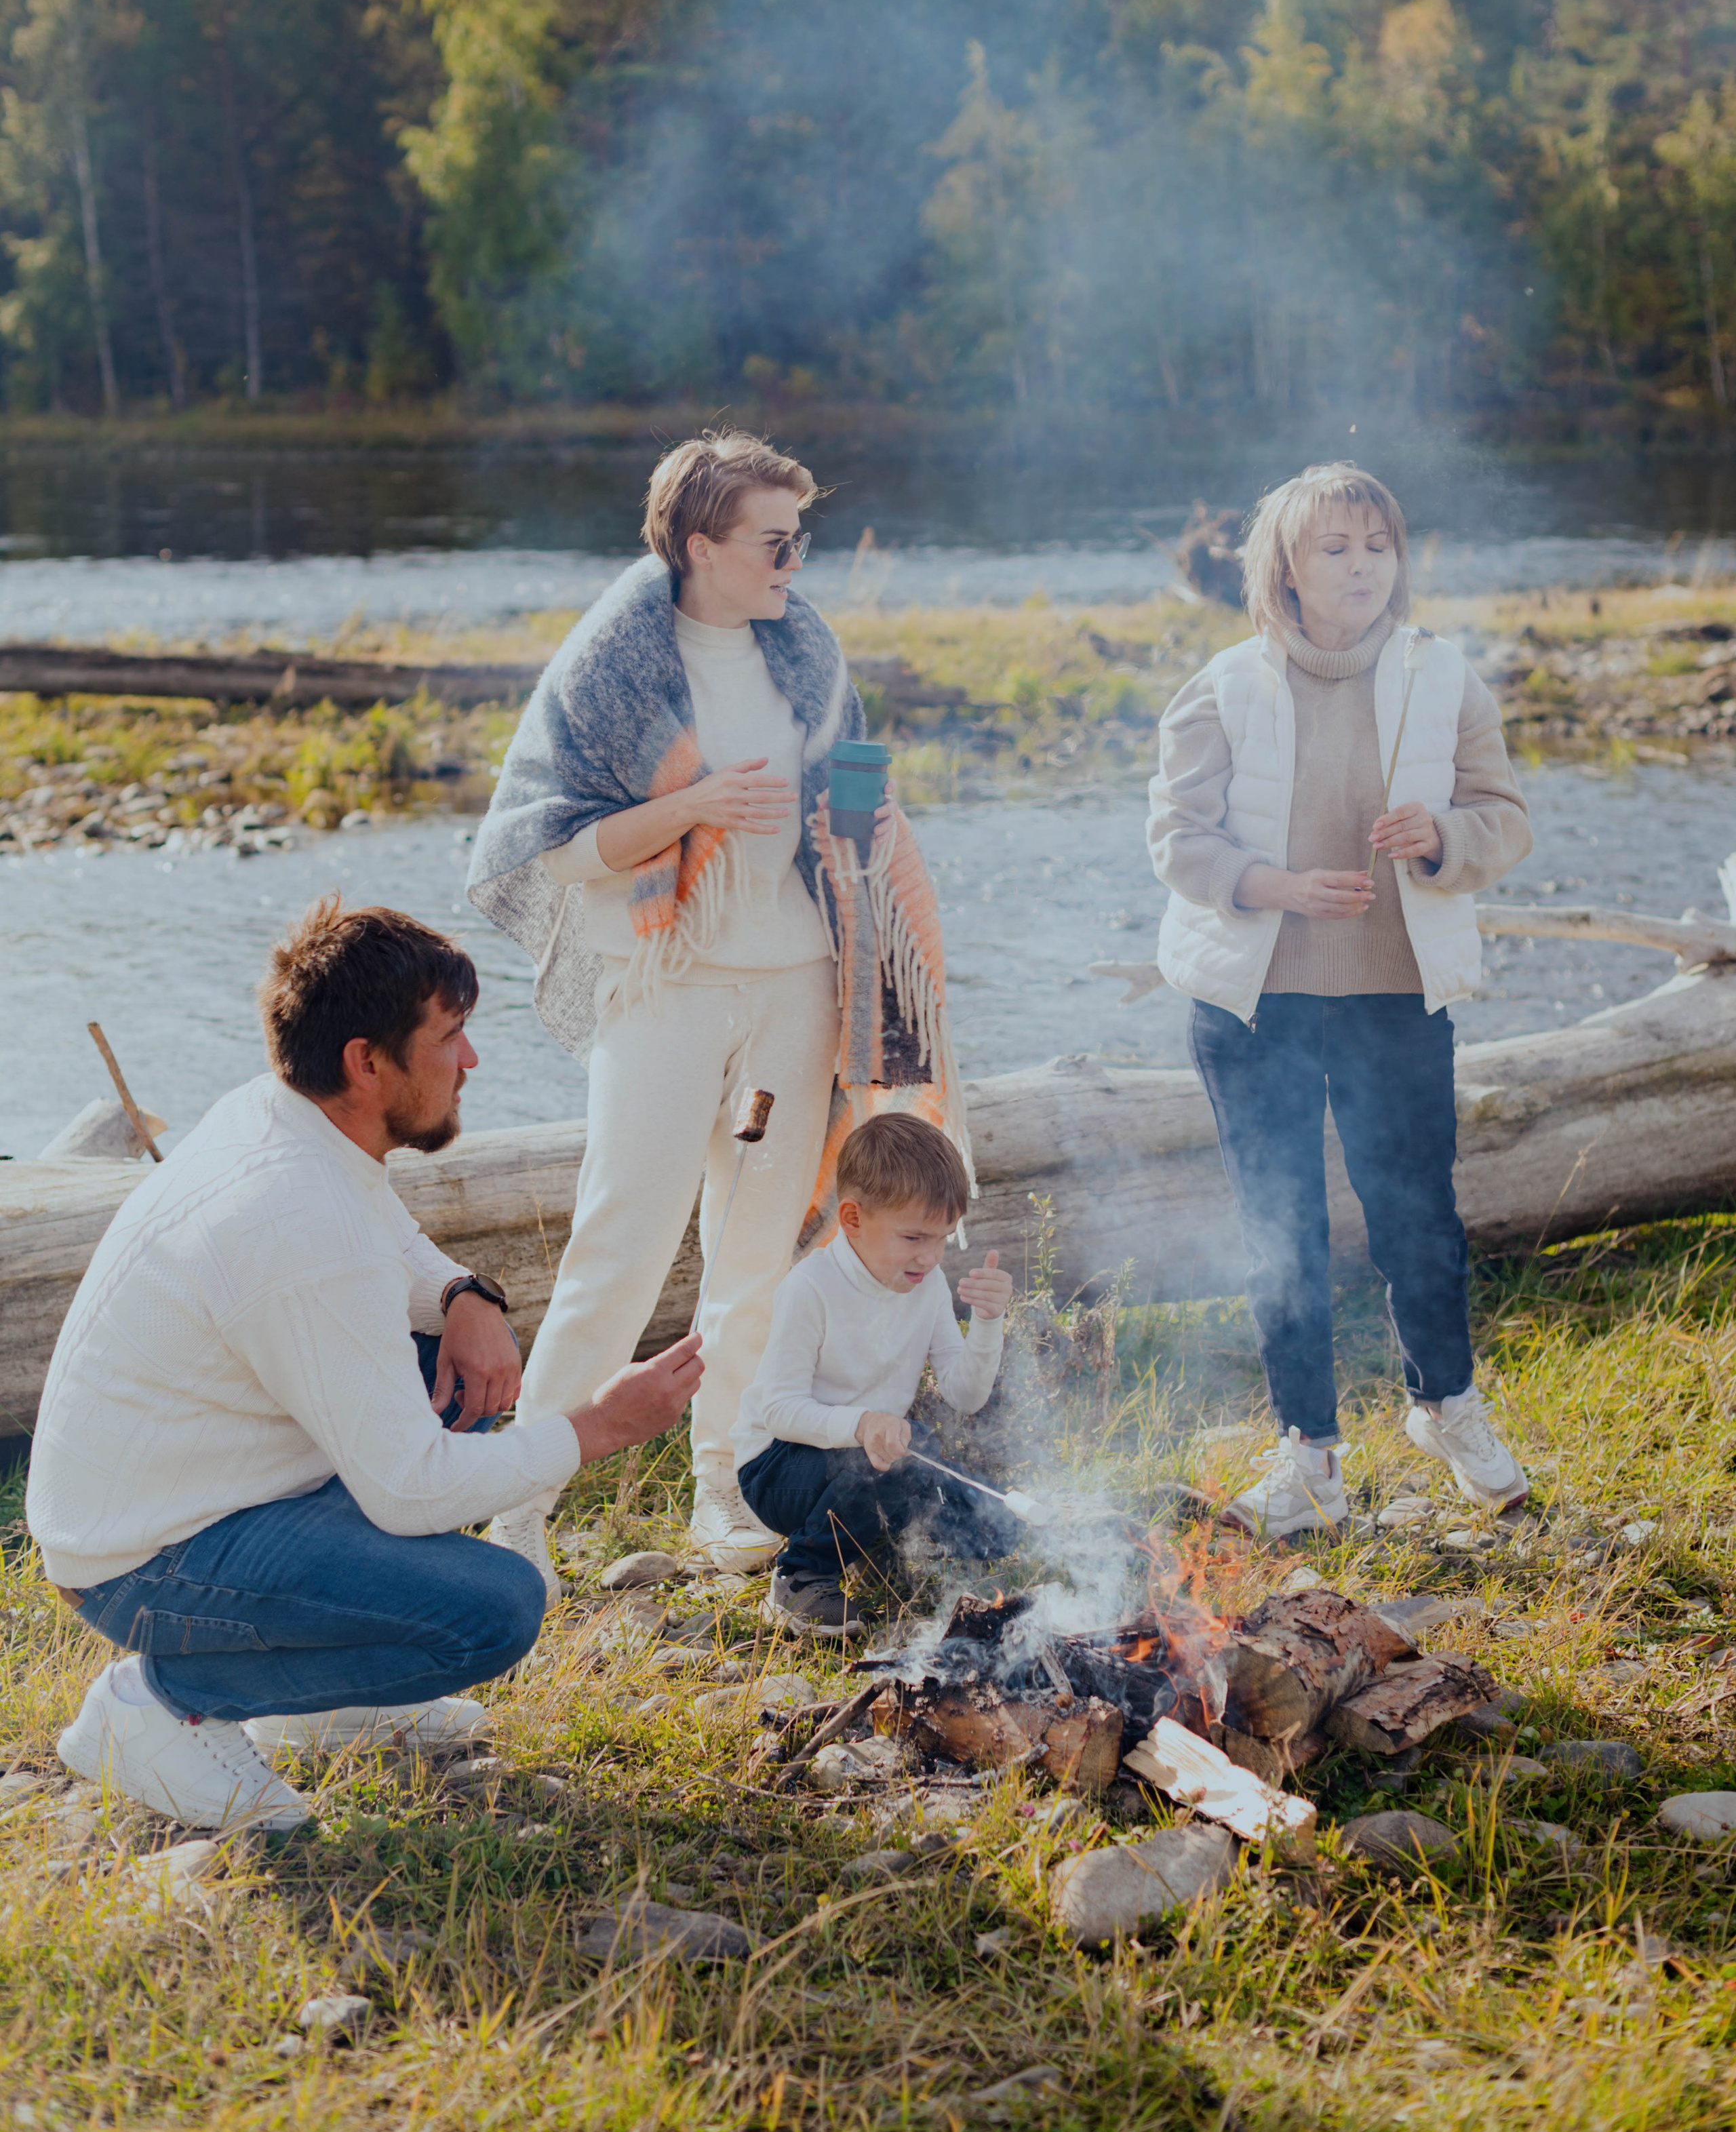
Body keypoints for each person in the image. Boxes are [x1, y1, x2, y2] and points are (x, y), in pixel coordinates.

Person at [27, 899, 701, 1834]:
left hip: (183, 1493)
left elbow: (390, 1236)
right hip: (145, 1560)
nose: (471, 1060)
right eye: (451, 1036)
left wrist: (466, 1295)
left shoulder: (282, 1117)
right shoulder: (299, 1221)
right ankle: (159, 1704)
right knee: (494, 1610)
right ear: (365, 1061)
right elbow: (411, 1492)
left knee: (436, 1360)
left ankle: (333, 1694)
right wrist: (597, 1430)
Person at [468, 432, 970, 1594]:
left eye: (802, 537)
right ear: (700, 543)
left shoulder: (807, 648)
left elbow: (844, 812)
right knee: (620, 1246)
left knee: (754, 1245)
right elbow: (553, 849)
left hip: (791, 989)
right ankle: (518, 1506)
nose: (797, 560)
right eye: (773, 539)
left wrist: (862, 820)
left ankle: (729, 1493)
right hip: (668, 991)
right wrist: (692, 801)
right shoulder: (613, 660)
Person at [1146, 463, 1534, 1537]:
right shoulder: (1225, 683)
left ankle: (1447, 1408)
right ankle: (1309, 1456)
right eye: (1335, 548)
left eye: (1378, 545)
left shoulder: (1443, 675)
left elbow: (1505, 815)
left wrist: (1446, 837)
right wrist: (1271, 887)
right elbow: (1176, 839)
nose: (1363, 565)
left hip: (1396, 995)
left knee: (1419, 1221)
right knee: (1282, 1232)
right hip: (1253, 1002)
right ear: (1286, 569)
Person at [732, 1114, 1012, 1637]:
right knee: (885, 1462)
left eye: (943, 1240)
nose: (930, 1257)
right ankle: (801, 1577)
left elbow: (965, 1394)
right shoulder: (810, 1288)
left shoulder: (925, 1285)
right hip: (778, 1468)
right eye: (913, 1237)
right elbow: (778, 1409)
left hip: (867, 1453)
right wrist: (863, 1424)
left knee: (948, 1481)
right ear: (853, 1218)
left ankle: (884, 1548)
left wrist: (988, 1324)